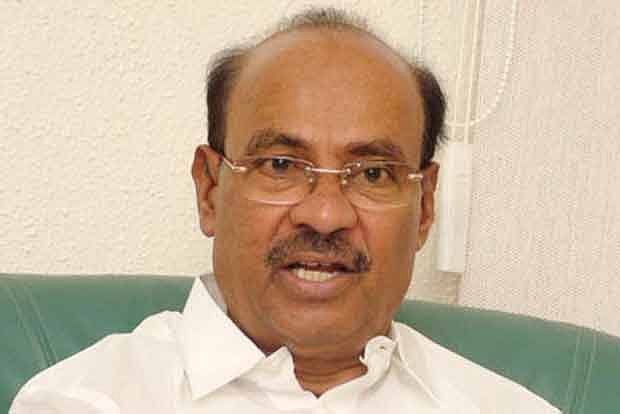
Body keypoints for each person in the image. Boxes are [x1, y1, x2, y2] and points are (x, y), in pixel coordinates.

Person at [10, 7, 560, 413]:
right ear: (210, 190)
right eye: (280, 165)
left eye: (372, 173)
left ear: (424, 208)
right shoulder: (87, 401)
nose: (325, 215)